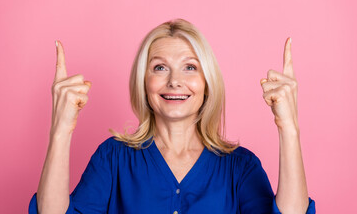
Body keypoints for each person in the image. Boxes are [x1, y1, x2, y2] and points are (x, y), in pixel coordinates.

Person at [29, 19, 316, 214]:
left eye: (190, 67)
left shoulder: (240, 167)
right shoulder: (112, 158)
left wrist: (288, 128)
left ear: (207, 83)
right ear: (144, 82)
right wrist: (61, 130)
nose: (175, 81)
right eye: (159, 68)